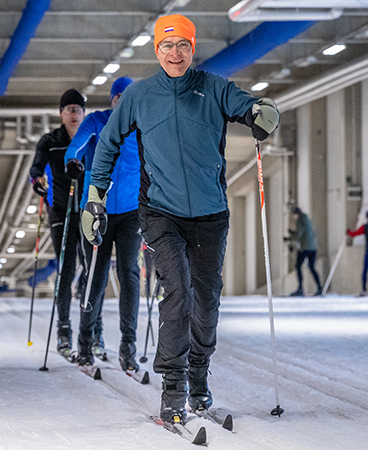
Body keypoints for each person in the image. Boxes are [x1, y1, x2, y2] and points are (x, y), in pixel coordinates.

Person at [82, 14, 280, 425]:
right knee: (179, 292)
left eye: (183, 46)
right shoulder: (140, 96)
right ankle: (173, 389)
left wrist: (263, 112)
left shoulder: (213, 87)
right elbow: (108, 143)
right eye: (168, 46)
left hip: (210, 214)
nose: (176, 53)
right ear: (157, 50)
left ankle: (199, 377)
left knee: (206, 300)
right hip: (159, 212)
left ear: (193, 49)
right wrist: (95, 198)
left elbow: (248, 107)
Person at [64, 77, 142, 371]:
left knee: (129, 273)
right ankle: (84, 345)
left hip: (131, 212)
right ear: (112, 100)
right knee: (95, 276)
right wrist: (73, 161)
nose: (122, 102)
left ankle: (128, 346)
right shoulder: (97, 122)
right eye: (118, 96)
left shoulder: (142, 126)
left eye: (127, 97)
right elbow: (76, 146)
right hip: (96, 210)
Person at [29, 88, 88, 357]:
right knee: (66, 267)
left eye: (78, 109)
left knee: (90, 267)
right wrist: (37, 181)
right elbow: (37, 167)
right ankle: (64, 331)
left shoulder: (93, 138)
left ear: (84, 113)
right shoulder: (51, 140)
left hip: (88, 209)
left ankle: (92, 329)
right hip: (60, 209)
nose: (74, 114)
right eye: (69, 109)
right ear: (61, 114)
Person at [285, 207, 322, 296]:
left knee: (298, 266)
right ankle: (319, 287)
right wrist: (293, 233)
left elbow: (299, 234)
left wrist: (290, 237)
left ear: (296, 214)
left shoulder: (300, 220)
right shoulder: (307, 219)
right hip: (313, 248)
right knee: (312, 267)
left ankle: (300, 289)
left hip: (305, 248)